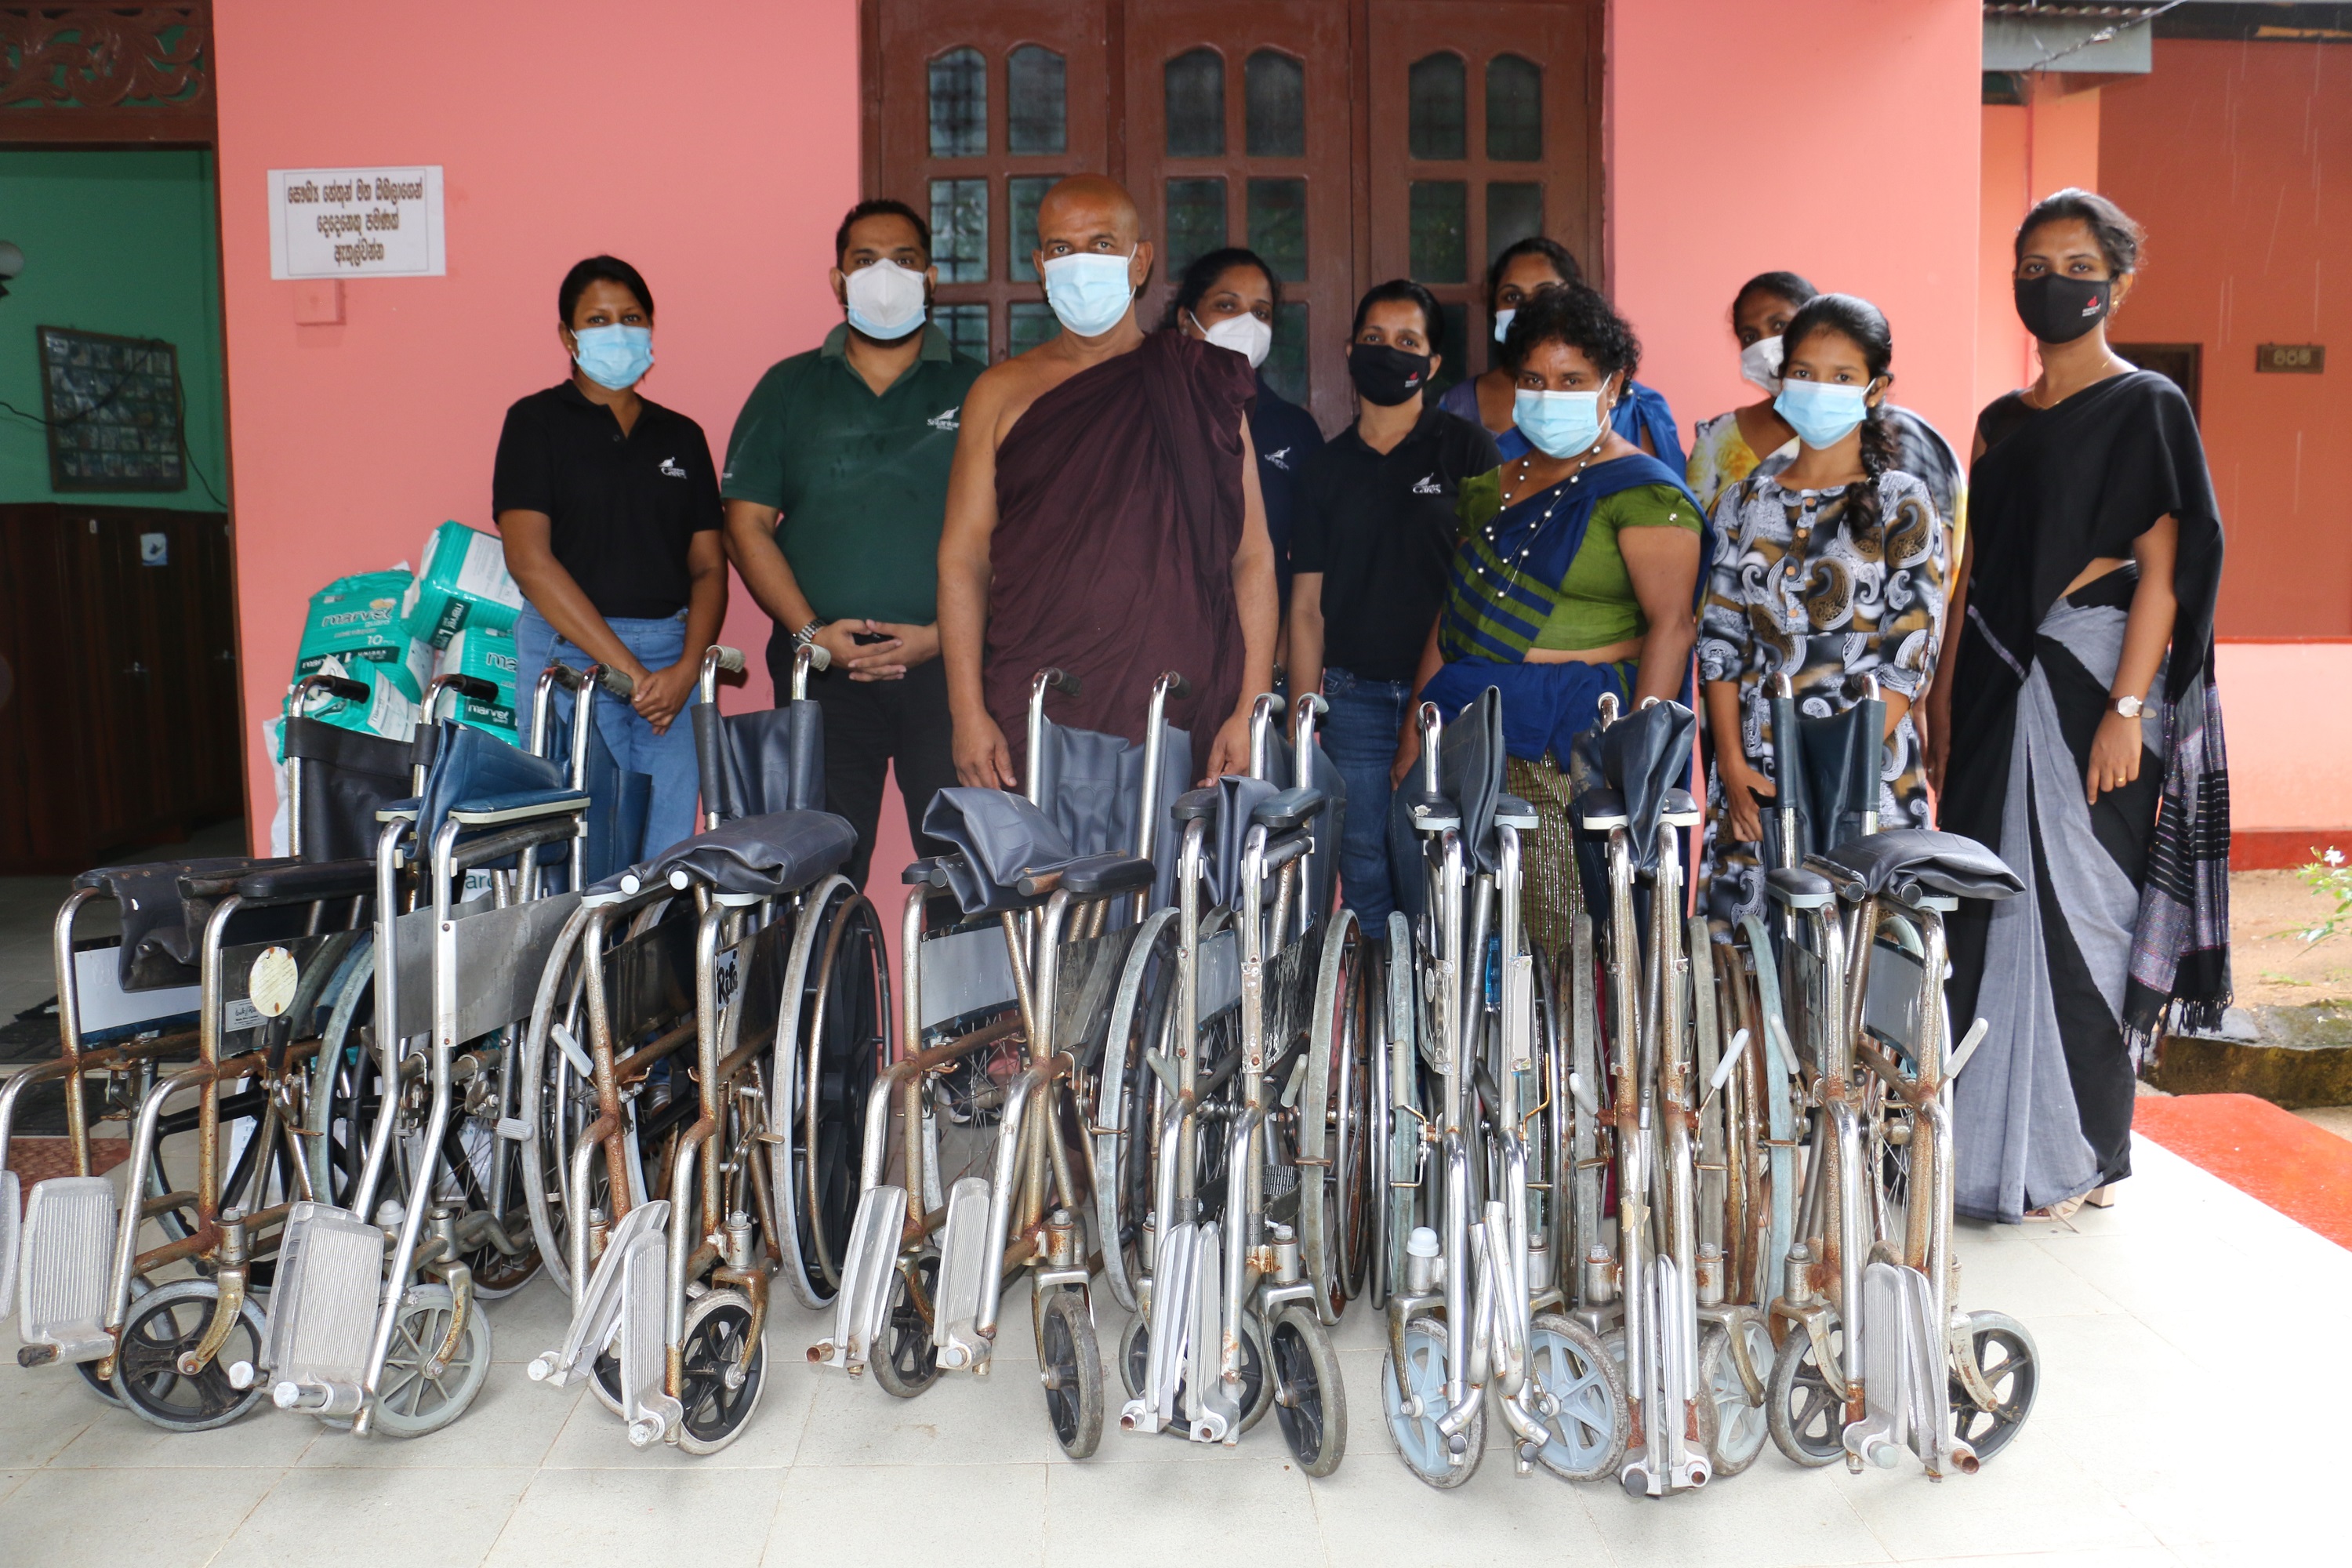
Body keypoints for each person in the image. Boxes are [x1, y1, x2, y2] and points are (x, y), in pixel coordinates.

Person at [1928, 190, 2230, 1225]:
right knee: (1982, 911)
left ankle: (2079, 1155)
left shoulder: (2147, 405)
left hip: (2088, 691)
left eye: (2074, 264)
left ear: (2116, 281)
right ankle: (1981, 1152)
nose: (2052, 283)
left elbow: (2164, 567)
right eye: (2033, 264)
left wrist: (2128, 707)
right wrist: (1939, 690)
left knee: (2084, 920)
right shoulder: (2000, 422)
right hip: (1990, 685)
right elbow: (1977, 569)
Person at [938, 174, 1277, 786]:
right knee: (1040, 881)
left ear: (1139, 260)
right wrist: (967, 712)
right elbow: (963, 558)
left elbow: (1252, 556)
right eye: (1062, 250)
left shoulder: (1199, 384)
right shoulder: (999, 393)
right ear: (1040, 266)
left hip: (1174, 697)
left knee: (1160, 877)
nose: (1080, 265)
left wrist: (1249, 709)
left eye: (1100, 244)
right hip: (1036, 695)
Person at [1405, 283, 1704, 953]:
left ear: (1614, 385)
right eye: (1535, 379)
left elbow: (1673, 626)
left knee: (1562, 932)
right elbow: (1456, 616)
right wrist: (1413, 732)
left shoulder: (1645, 491)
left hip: (1575, 739)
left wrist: (1637, 760)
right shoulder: (1489, 489)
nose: (1551, 394)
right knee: (1466, 921)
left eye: (1573, 379)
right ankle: (1482, 1054)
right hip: (1468, 723)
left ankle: (1568, 1057)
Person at [719, 198, 983, 888]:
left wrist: (940, 637)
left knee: (961, 869)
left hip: (945, 665)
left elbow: (1013, 535)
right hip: (822, 671)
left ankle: (964, 1002)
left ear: (931, 277)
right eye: (865, 261)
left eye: (903, 260)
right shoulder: (788, 387)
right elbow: (744, 526)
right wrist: (810, 635)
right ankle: (823, 1002)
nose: (884, 276)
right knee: (822, 872)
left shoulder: (981, 387)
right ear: (838, 281)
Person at [1696, 294, 1947, 933]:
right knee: (1750, 967)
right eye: (1805, 372)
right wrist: (1729, 761)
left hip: (1866, 774)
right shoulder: (1742, 500)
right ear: (1782, 379)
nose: (1819, 389)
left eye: (1842, 376)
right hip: (1757, 772)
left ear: (1875, 388)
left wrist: (1837, 764)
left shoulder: (1904, 501)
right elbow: (1720, 640)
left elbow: (1910, 653)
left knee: (1865, 972)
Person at [496, 254, 724, 857]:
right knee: (575, 854)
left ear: (651, 327)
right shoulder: (534, 424)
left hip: (672, 668)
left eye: (631, 317)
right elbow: (529, 561)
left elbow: (707, 566)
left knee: (664, 854)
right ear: (567, 336)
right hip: (569, 658)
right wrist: (628, 671)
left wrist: (685, 670)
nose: (616, 331)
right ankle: (579, 958)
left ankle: (649, 956)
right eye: (597, 320)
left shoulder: (683, 436)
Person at [1288, 279, 1500, 924]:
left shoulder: (1469, 451)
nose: (1389, 353)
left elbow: (1486, 583)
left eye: (1408, 342)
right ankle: (1386, 1003)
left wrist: (1428, 701)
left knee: (1438, 858)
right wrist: (1304, 724)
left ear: (1433, 364)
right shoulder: (1323, 468)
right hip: (1352, 698)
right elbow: (1305, 608)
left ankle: (1443, 1004)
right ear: (1351, 350)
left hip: (1450, 696)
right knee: (1363, 860)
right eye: (1375, 340)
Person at [1685, 270, 1967, 543]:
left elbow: (1929, 574)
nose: (1765, 346)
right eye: (1750, 336)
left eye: (1779, 326)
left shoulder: (1906, 467)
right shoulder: (1743, 495)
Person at [1166, 248, 1325, 645]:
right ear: (1186, 319)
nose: (1246, 323)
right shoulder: (1149, 408)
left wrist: (1280, 663)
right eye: (1226, 305)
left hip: (1261, 655)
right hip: (1161, 653)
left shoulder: (1293, 428)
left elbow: (1311, 568)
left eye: (1261, 312)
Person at [1436, 236, 1684, 473]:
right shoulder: (1458, 406)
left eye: (1545, 293)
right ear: (1494, 308)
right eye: (1512, 296)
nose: (1529, 308)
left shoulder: (1637, 407)